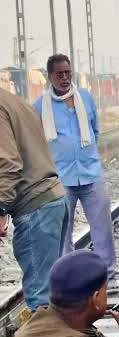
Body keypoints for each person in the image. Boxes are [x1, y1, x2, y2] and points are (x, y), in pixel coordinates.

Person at [33, 55, 119, 292]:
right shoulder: (40, 107)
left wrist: (87, 154)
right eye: (59, 74)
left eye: (67, 73)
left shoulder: (86, 99)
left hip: (91, 174)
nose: (64, 77)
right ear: (49, 76)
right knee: (63, 233)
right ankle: (68, 282)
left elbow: (95, 131)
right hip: (60, 179)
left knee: (102, 228)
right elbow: (36, 142)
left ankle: (108, 278)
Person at [0, 85, 67, 311]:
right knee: (53, 294)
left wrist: (0, 209)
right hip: (50, 200)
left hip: (35, 208)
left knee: (40, 301)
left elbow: (8, 165)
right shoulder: (12, 100)